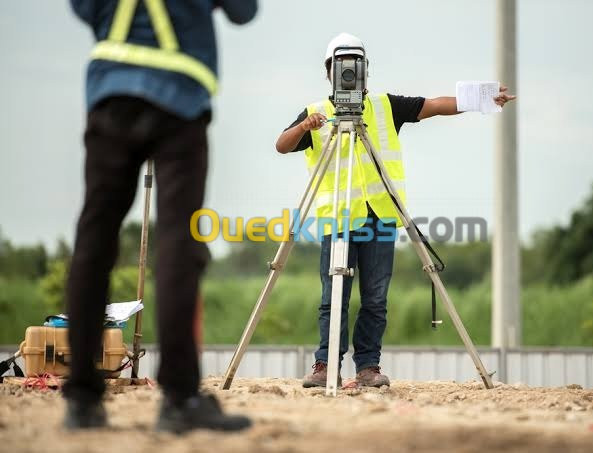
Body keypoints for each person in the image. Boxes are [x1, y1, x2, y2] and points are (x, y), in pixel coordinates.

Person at [275, 33, 515, 388]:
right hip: (338, 219)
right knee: (333, 296)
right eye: (341, 67)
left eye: (354, 66)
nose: (348, 74)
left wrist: (480, 100)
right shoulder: (316, 114)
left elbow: (433, 105)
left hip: (381, 216)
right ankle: (325, 366)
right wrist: (303, 127)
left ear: (365, 70)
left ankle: (367, 368)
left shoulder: (385, 106)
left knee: (375, 296)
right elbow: (282, 145)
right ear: (329, 72)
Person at [64, 0, 257, 432]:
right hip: (181, 102)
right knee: (178, 244)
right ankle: (179, 398)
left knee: (94, 242)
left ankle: (81, 400)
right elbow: (245, 11)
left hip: (109, 91)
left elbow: (82, 7)